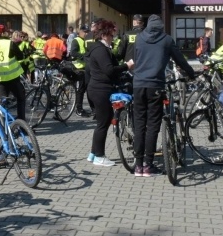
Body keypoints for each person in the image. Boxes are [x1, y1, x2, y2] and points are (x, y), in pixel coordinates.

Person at [132, 15, 196, 177]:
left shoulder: (139, 38)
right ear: (161, 27)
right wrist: (191, 74)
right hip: (155, 85)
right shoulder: (166, 40)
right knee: (153, 125)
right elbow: (180, 60)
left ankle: (138, 166)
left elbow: (136, 58)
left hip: (138, 85)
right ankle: (148, 165)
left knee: (139, 124)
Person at [85, 19, 134, 167]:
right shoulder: (100, 49)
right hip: (100, 90)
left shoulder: (100, 48)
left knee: (102, 122)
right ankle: (99, 156)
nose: (113, 36)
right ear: (105, 34)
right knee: (103, 123)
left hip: (96, 88)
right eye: (112, 34)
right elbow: (109, 70)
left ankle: (93, 153)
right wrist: (127, 65)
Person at [69, 24, 90, 116]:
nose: (86, 34)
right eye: (85, 32)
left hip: (85, 68)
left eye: (87, 32)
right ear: (80, 32)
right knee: (80, 90)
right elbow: (73, 52)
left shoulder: (85, 41)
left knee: (84, 89)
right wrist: (83, 57)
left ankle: (82, 108)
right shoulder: (76, 40)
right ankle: (79, 109)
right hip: (78, 68)